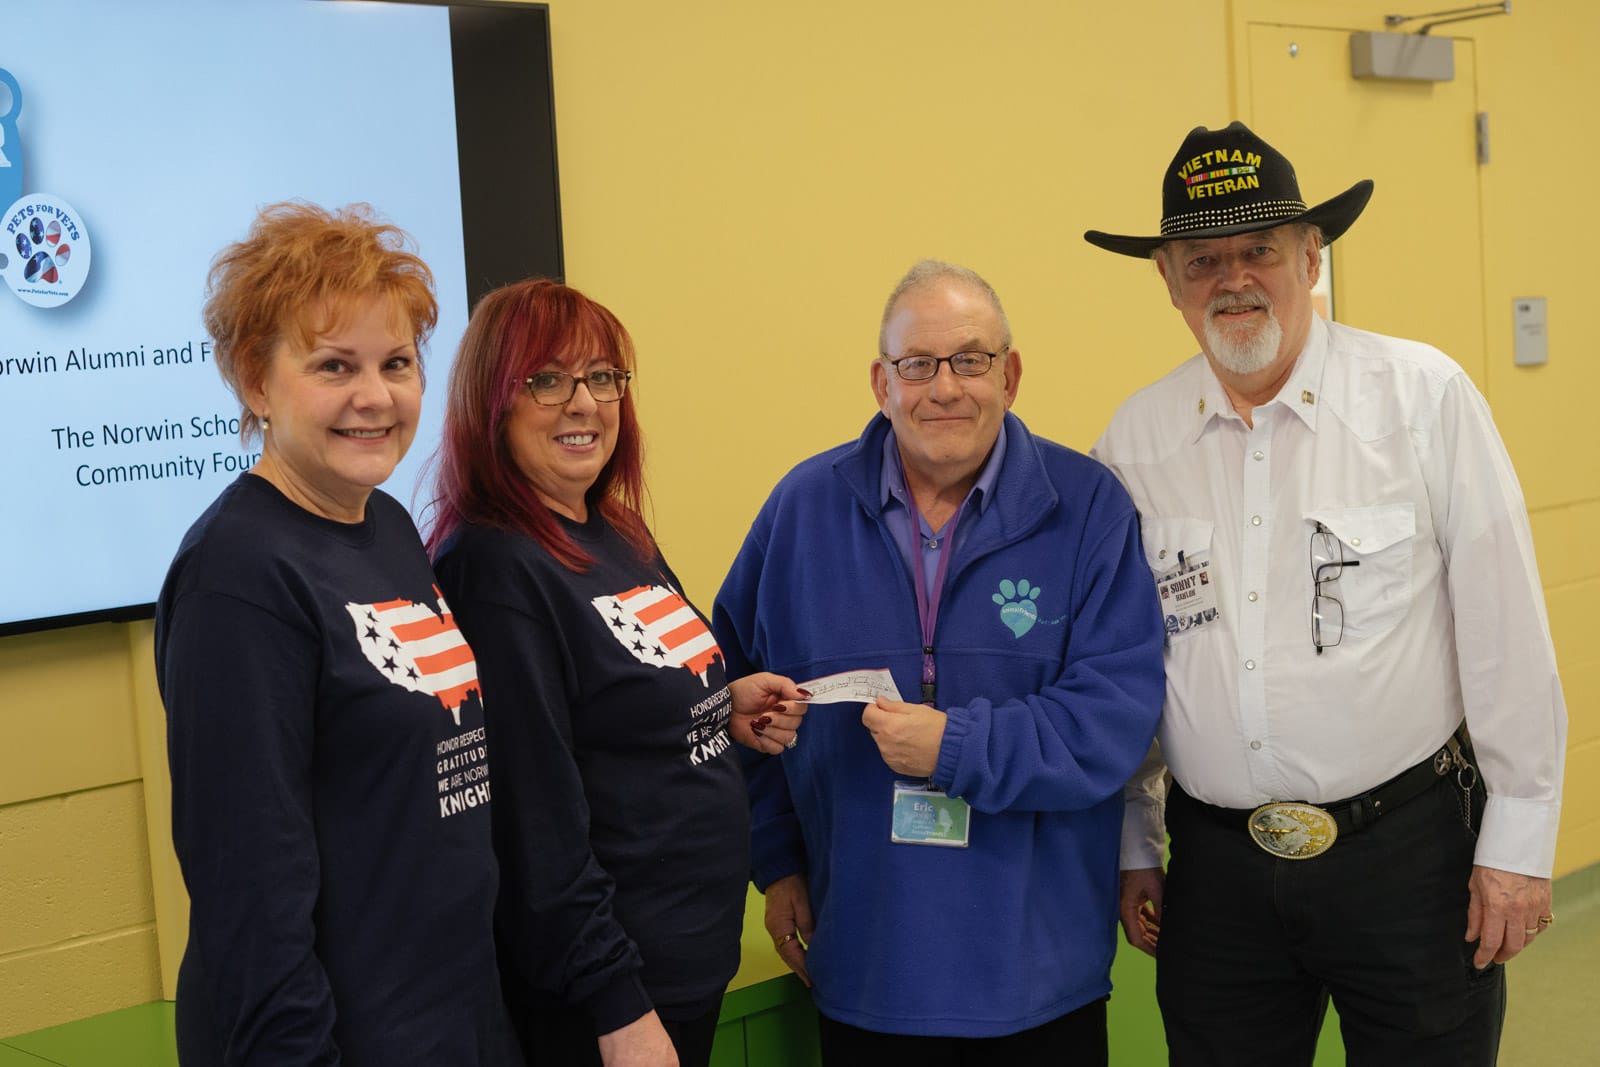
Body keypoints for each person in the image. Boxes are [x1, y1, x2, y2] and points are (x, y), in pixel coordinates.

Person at [1086, 122, 1568, 1066]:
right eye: (1203, 258)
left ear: (1312, 256)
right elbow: (1130, 664)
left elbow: (1505, 631)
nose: (1233, 277)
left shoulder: (1421, 397)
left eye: (1260, 248)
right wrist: (1133, 841)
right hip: (1216, 875)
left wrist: (1518, 839)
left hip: (1409, 862)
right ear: (1169, 281)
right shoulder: (1135, 441)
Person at [712, 259, 1166, 1064]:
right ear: (881, 382)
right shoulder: (800, 511)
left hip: (1040, 979)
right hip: (863, 966)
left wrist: (956, 747)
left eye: (970, 359)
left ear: (1011, 374)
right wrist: (776, 861)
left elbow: (1113, 717)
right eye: (917, 365)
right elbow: (730, 699)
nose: (944, 387)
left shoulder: (1089, 506)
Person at [155, 202, 517, 1065]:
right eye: (333, 365)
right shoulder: (237, 577)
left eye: (397, 363)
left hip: (450, 1020)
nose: (375, 396)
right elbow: (251, 896)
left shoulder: (387, 526)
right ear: (255, 379)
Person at [427, 278, 808, 1067]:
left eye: (603, 377)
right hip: (607, 1006)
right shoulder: (496, 568)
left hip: (684, 966)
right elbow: (536, 823)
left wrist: (716, 704)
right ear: (492, 402)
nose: (584, 403)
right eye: (547, 379)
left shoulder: (613, 530)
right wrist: (616, 1005)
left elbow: (618, 701)